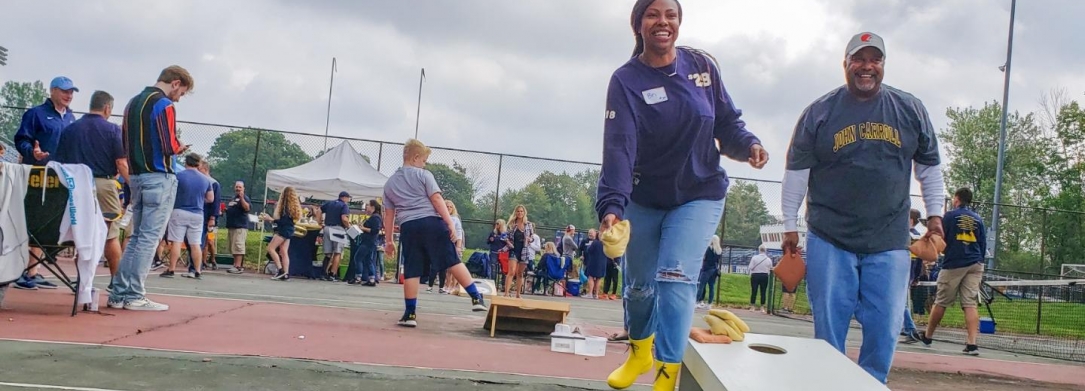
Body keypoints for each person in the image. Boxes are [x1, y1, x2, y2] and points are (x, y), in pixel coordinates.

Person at [597, 0, 768, 388]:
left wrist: (749, 146)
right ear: (638, 24)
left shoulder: (702, 67)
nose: (663, 22)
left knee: (675, 276)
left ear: (678, 23)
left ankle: (665, 373)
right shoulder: (626, 80)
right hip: (643, 198)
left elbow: (727, 122)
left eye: (670, 15)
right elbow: (619, 148)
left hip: (699, 193)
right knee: (639, 287)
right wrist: (612, 207)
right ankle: (640, 352)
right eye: (653, 15)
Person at [780, 32, 945, 383]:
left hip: (888, 239)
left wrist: (935, 217)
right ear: (846, 64)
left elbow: (929, 168)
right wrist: (790, 224)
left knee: (885, 326)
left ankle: (873, 384)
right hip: (830, 235)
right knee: (829, 329)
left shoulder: (909, 108)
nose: (867, 66)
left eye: (875, 59)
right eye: (859, 59)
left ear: (883, 65)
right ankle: (828, 386)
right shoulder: (820, 112)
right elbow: (796, 172)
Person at [108, 65, 195, 311]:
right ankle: (135, 294)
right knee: (148, 237)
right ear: (175, 83)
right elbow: (169, 144)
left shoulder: (132, 103)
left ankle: (119, 293)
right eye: (182, 92)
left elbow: (125, 141)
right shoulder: (164, 105)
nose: (179, 98)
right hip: (158, 176)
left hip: (136, 175)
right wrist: (179, 147)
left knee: (136, 236)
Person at [381, 139, 487, 328]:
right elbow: (437, 199)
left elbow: (389, 214)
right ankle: (476, 297)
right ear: (415, 158)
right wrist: (450, 224)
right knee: (452, 260)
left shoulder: (389, 184)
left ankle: (410, 313)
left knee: (412, 269)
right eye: (424, 160)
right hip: (431, 223)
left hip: (409, 227)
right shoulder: (424, 175)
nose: (425, 164)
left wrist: (389, 240)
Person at [53, 90, 130, 280]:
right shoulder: (113, 130)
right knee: (110, 235)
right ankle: (116, 282)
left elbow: (59, 162)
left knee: (82, 232)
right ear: (107, 107)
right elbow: (121, 163)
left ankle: (82, 281)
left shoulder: (70, 128)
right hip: (103, 184)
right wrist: (134, 184)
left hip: (75, 186)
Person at [12, 76, 79, 290]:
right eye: (64, 91)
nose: (69, 95)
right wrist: (32, 152)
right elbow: (21, 139)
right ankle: (22, 271)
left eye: (71, 92)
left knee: (51, 224)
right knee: (33, 220)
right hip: (37, 176)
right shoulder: (36, 114)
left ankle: (33, 270)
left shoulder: (71, 117)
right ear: (52, 91)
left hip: (61, 179)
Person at [919, 188, 986, 356]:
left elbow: (941, 238)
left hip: (955, 263)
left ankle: (928, 336)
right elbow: (982, 244)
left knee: (941, 301)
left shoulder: (949, 216)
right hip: (975, 263)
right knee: (970, 303)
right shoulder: (978, 219)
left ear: (956, 199)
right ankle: (972, 344)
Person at [161, 153, 213, 279]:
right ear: (199, 163)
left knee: (177, 241)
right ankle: (197, 270)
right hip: (197, 213)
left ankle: (172, 269)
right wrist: (200, 200)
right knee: (195, 243)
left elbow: (169, 193)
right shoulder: (206, 179)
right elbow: (210, 198)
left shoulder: (178, 176)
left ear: (186, 162)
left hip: (179, 210)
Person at [263, 187, 300, 281]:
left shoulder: (284, 207)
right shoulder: (293, 207)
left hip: (283, 230)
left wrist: (271, 219)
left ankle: (280, 269)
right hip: (289, 230)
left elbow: (283, 221)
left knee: (271, 248)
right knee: (283, 251)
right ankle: (286, 273)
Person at [900, 209, 925, 344]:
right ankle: (906, 328)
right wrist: (916, 277)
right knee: (900, 302)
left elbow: (917, 257)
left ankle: (911, 330)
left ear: (910, 220)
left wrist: (915, 277)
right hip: (909, 274)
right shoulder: (918, 237)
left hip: (902, 272)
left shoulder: (908, 236)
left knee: (899, 302)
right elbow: (920, 258)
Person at [319, 191, 351, 281]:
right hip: (338, 229)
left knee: (328, 253)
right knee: (337, 252)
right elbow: (344, 218)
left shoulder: (329, 203)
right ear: (345, 197)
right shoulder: (344, 206)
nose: (348, 200)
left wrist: (319, 222)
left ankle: (323, 273)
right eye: (348, 198)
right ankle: (332, 274)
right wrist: (349, 226)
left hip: (327, 227)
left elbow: (319, 210)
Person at [504, 205, 534, 298]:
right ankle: (506, 293)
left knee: (520, 273)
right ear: (515, 212)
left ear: (524, 213)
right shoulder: (512, 224)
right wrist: (508, 242)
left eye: (521, 211)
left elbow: (533, 237)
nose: (520, 213)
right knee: (511, 271)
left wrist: (529, 239)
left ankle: (518, 294)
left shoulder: (528, 224)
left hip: (524, 250)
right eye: (518, 211)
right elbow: (505, 236)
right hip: (514, 249)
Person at [198, 161, 221, 271]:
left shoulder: (214, 183)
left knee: (210, 241)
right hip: (200, 217)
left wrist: (213, 218)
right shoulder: (199, 181)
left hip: (210, 220)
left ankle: (213, 259)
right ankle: (201, 261)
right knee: (202, 241)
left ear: (205, 169)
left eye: (199, 168)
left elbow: (216, 203)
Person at [225, 181, 252, 274]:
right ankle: (235, 264)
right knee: (233, 247)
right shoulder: (233, 199)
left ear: (243, 188)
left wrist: (242, 198)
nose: (238, 189)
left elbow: (247, 208)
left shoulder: (245, 198)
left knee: (238, 246)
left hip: (240, 226)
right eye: (236, 187)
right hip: (232, 226)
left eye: (240, 187)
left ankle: (238, 266)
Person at [357, 199, 383, 286]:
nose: (366, 207)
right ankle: (371, 279)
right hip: (370, 241)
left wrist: (363, 228)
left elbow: (375, 230)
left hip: (369, 241)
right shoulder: (375, 217)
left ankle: (358, 277)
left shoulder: (375, 217)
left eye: (368, 205)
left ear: (372, 207)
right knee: (369, 260)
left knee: (358, 257)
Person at [441, 200, 465, 294]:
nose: (448, 208)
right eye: (446, 206)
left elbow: (459, 232)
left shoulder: (455, 219)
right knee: (446, 267)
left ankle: (452, 286)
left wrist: (458, 246)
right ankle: (446, 285)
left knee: (453, 266)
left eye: (450, 207)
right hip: (443, 243)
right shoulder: (440, 217)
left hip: (453, 243)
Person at [696, 235, 723, 309]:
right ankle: (709, 303)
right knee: (711, 287)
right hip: (714, 269)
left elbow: (705, 258)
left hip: (706, 269)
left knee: (701, 285)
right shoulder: (719, 250)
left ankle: (697, 301)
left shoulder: (709, 249)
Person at [486, 219, 511, 287]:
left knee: (504, 269)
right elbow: (488, 241)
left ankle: (503, 285)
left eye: (498, 224)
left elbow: (508, 243)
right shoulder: (493, 232)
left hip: (503, 253)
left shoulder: (506, 233)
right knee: (493, 267)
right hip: (494, 252)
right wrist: (490, 239)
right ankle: (492, 284)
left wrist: (503, 248)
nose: (497, 225)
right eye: (496, 223)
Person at [748, 245, 772, 313]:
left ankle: (752, 306)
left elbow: (750, 267)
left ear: (759, 250)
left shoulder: (754, 258)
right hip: (764, 275)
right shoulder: (768, 259)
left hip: (755, 275)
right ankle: (762, 307)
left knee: (754, 291)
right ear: (765, 250)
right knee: (763, 292)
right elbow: (770, 268)